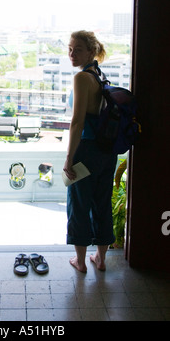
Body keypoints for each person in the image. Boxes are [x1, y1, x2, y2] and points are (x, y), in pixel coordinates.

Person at [63, 30, 117, 273]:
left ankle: (81, 261)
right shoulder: (99, 75)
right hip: (107, 151)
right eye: (70, 48)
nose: (72, 54)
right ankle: (102, 259)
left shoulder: (81, 77)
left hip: (86, 151)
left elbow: (77, 122)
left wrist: (69, 158)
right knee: (102, 202)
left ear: (91, 51)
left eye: (78, 49)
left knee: (79, 203)